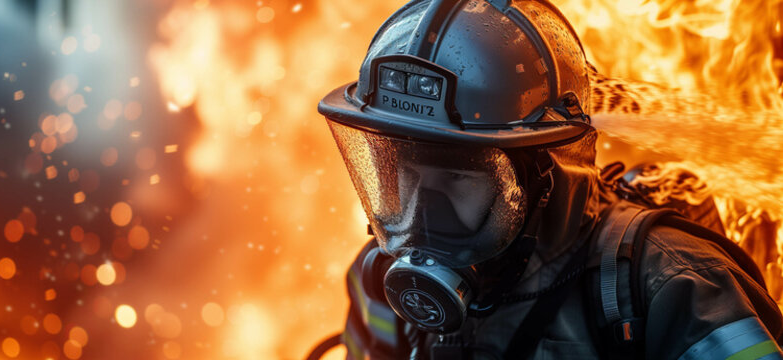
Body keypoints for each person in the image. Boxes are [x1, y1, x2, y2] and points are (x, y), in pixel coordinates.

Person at [314, 0, 783, 358]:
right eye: (405, 175)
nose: (421, 210)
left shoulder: (673, 285)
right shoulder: (378, 280)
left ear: (545, 176)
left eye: (456, 179)